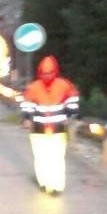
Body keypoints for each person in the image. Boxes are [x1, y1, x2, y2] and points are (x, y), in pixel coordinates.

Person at [20, 55, 80, 194]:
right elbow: (27, 105)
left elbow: (72, 100)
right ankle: (45, 182)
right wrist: (27, 118)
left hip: (57, 128)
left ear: (55, 72)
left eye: (49, 73)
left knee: (56, 156)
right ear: (40, 72)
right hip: (39, 128)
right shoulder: (34, 87)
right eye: (44, 73)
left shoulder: (63, 85)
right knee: (41, 156)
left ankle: (56, 185)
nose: (47, 76)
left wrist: (70, 114)